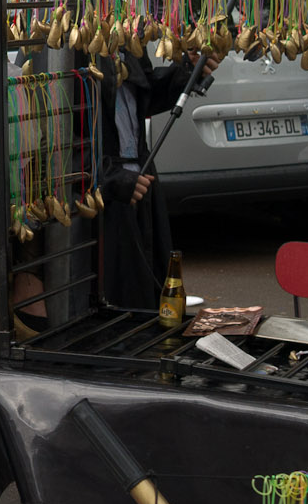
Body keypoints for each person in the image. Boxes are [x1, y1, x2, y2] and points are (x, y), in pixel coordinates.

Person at [92, 44, 219, 308]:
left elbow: (146, 94)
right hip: (102, 195)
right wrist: (112, 179)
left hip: (141, 175)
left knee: (149, 285)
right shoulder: (68, 49)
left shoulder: (126, 38)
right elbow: (65, 136)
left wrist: (184, 71)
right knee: (116, 292)